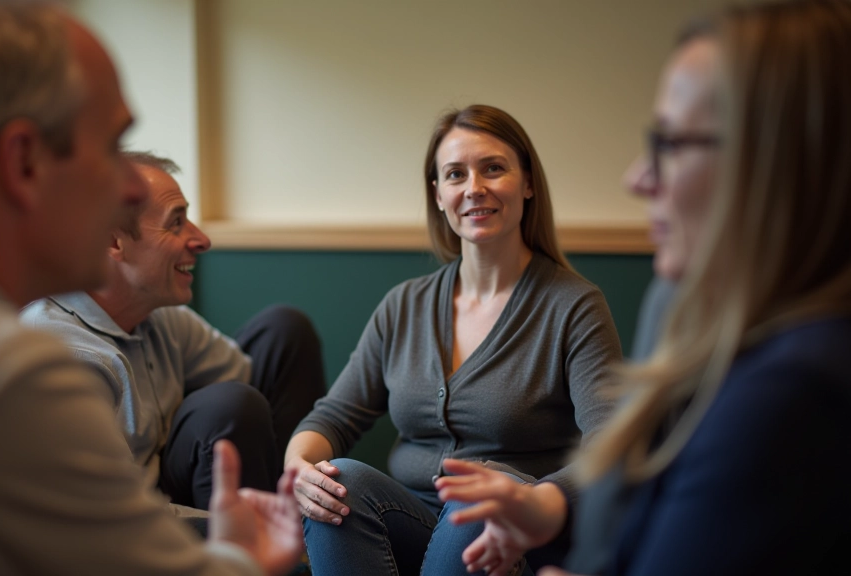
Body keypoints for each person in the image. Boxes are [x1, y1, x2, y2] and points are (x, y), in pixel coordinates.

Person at [0, 1, 303, 575]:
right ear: (23, 162)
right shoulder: (7, 378)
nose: (131, 188)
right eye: (111, 146)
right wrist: (243, 557)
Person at [436, 1, 851, 575]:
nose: (637, 177)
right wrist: (551, 518)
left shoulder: (792, 393)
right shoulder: (691, 314)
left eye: (671, 144)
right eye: (454, 174)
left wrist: (546, 502)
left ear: (775, 162)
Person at [285, 104, 623, 576]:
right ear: (439, 195)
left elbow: (612, 445)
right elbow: (334, 416)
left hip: (510, 537)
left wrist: (534, 499)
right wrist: (300, 467)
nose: (474, 188)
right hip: (411, 525)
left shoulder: (574, 305)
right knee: (340, 479)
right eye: (455, 174)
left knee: (481, 497)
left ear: (527, 183)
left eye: (493, 169)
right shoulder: (404, 305)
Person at [21, 151, 326, 514]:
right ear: (113, 242)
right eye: (176, 222)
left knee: (283, 332)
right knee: (228, 406)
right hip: (118, 525)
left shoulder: (161, 316)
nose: (201, 240)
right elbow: (105, 518)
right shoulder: (64, 356)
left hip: (165, 489)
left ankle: (301, 515)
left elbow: (249, 387)